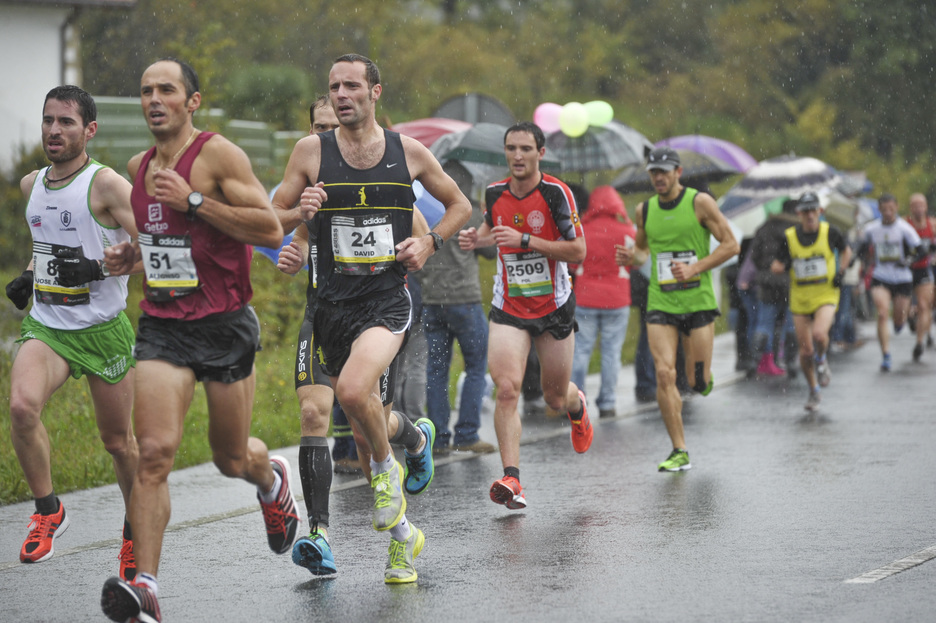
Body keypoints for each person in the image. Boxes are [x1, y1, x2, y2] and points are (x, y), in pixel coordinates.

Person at [99, 58, 295, 623]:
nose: (154, 99)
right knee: (153, 454)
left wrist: (195, 200)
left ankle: (270, 478)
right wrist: (130, 256)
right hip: (163, 325)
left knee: (230, 458)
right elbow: (164, 242)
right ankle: (147, 587)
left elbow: (269, 228)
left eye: (167, 90)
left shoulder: (217, 155)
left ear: (192, 101)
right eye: (145, 91)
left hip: (224, 324)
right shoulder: (137, 169)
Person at [272, 54, 471, 584]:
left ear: (375, 92)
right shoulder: (310, 151)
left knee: (355, 394)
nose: (342, 95)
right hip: (329, 306)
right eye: (334, 86)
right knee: (364, 428)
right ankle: (405, 539)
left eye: (352, 86)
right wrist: (298, 216)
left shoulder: (408, 152)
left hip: (385, 302)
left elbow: (459, 205)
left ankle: (385, 478)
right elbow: (271, 215)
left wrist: (429, 242)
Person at [6, 86, 139, 579]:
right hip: (49, 326)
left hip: (103, 330)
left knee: (118, 444)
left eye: (65, 122)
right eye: (47, 121)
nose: (54, 131)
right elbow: (49, 243)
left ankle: (133, 533)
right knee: (21, 407)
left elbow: (155, 249)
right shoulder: (30, 185)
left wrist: (99, 270)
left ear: (89, 130)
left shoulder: (107, 185)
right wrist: (29, 273)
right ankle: (47, 510)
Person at [459, 121, 593, 510]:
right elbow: (489, 228)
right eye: (511, 148)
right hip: (509, 307)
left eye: (525, 149)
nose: (517, 156)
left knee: (553, 397)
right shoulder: (494, 193)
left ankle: (576, 405)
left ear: (540, 153)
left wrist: (527, 241)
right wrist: (475, 239)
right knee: (506, 389)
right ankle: (512, 479)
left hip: (553, 307)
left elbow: (579, 251)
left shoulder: (556, 194)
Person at [615, 146, 739, 472]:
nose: (657, 177)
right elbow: (643, 253)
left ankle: (702, 379)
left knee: (696, 381)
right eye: (653, 172)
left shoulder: (700, 203)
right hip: (661, 301)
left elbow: (731, 245)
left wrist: (696, 268)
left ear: (677, 173)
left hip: (697, 301)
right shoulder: (645, 210)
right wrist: (632, 258)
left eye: (664, 172)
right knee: (664, 373)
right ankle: (679, 449)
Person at [421, 162, 497, 454]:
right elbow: (491, 252)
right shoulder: (469, 212)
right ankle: (467, 435)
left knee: (437, 370)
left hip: (432, 300)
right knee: (476, 366)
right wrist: (483, 215)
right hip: (464, 300)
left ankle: (439, 439)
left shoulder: (426, 212)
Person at [769, 192, 852, 410]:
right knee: (805, 352)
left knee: (819, 335)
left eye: (813, 210)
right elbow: (777, 263)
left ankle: (822, 359)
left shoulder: (830, 231)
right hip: (801, 297)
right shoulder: (789, 236)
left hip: (825, 293)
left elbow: (847, 251)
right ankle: (814, 389)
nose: (809, 215)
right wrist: (779, 267)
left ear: (820, 211)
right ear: (799, 213)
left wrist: (841, 271)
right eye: (805, 211)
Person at [571, 185, 636, 418]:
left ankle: (576, 399)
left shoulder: (582, 230)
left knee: (580, 352)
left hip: (586, 298)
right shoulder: (628, 232)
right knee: (611, 353)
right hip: (617, 300)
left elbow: (571, 262)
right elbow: (636, 262)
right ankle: (607, 403)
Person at [860, 193, 923, 371]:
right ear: (879, 210)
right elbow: (862, 248)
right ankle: (886, 355)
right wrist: (860, 261)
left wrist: (909, 260)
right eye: (884, 209)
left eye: (891, 209)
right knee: (881, 313)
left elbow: (920, 250)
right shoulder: (871, 229)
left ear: (896, 207)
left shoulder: (905, 229)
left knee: (898, 318)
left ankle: (902, 320)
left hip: (902, 278)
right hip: (881, 276)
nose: (888, 213)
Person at [750, 199, 799, 377]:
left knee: (764, 323)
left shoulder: (765, 227)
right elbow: (800, 255)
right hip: (791, 281)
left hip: (767, 281)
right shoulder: (797, 229)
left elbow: (754, 255)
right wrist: (785, 266)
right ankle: (791, 361)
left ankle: (755, 361)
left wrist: (768, 266)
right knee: (792, 324)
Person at [906, 193, 934, 360]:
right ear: (911, 208)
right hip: (907, 271)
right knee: (908, 307)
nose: (918, 209)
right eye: (915, 206)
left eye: (921, 205)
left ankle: (919, 342)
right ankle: (910, 317)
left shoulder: (932, 224)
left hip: (925, 268)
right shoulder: (905, 224)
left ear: (925, 206)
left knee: (925, 305)